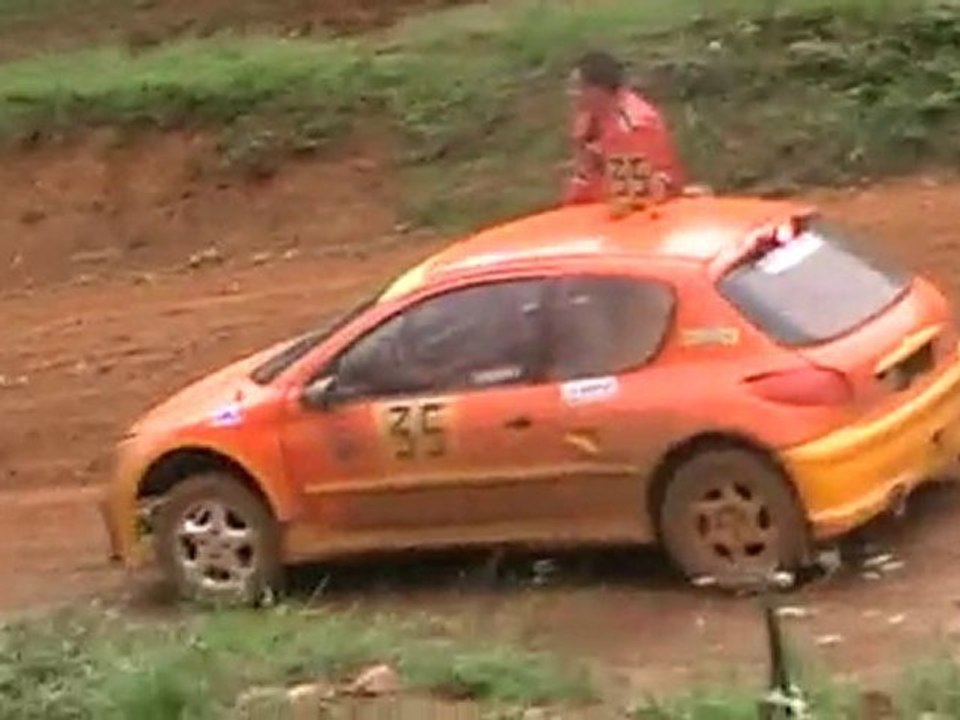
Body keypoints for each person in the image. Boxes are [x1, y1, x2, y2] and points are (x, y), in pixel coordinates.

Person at [564, 50, 699, 207]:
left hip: (640, 211)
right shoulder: (589, 117)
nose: (571, 94)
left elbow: (636, 195)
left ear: (597, 90)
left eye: (577, 88)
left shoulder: (632, 128)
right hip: (596, 206)